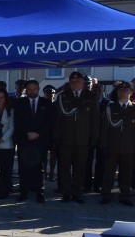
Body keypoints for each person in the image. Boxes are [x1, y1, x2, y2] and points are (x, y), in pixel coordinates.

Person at [53, 72, 99, 203]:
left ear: (83, 83)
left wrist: (94, 137)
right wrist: (56, 137)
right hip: (65, 139)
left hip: (83, 139)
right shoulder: (62, 97)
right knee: (64, 168)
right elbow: (57, 119)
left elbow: (95, 119)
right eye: (72, 82)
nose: (75, 83)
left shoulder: (91, 97)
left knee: (80, 168)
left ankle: (77, 193)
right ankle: (66, 193)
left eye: (78, 81)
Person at [14, 80, 52, 203]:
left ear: (38, 88)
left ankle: (40, 192)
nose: (32, 91)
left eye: (34, 89)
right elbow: (17, 121)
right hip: (24, 140)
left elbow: (49, 122)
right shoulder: (20, 103)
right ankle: (23, 192)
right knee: (23, 167)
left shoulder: (46, 103)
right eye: (29, 89)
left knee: (39, 168)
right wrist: (27, 134)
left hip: (40, 141)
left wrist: (38, 134)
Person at [99, 81, 135, 206]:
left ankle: (124, 196)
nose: (122, 92)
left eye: (125, 90)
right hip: (112, 146)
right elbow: (104, 128)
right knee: (109, 172)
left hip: (129, 147)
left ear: (131, 92)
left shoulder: (133, 108)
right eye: (120, 90)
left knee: (126, 173)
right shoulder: (111, 107)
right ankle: (106, 195)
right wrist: (104, 145)